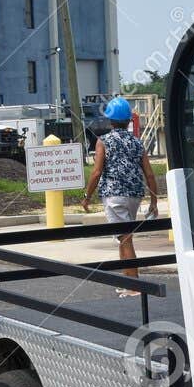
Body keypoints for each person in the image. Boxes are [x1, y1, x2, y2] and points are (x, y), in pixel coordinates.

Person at [82, 96, 161, 296]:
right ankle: (126, 282)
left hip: (114, 195)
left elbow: (97, 172)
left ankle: (134, 286)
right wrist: (153, 201)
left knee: (126, 240)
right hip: (135, 195)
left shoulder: (103, 141)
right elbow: (149, 174)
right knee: (124, 238)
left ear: (110, 120)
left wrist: (87, 196)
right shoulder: (137, 143)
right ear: (128, 120)